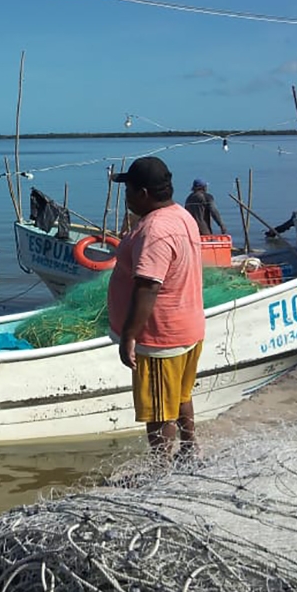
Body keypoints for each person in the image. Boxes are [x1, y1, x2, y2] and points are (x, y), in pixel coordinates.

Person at [107, 156, 205, 463]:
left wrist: (129, 337)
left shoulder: (156, 231)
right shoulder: (180, 215)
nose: (126, 197)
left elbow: (148, 287)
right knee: (180, 396)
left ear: (144, 194)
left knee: (159, 409)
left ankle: (161, 468)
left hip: (161, 337)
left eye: (129, 190)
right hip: (187, 325)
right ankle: (189, 452)